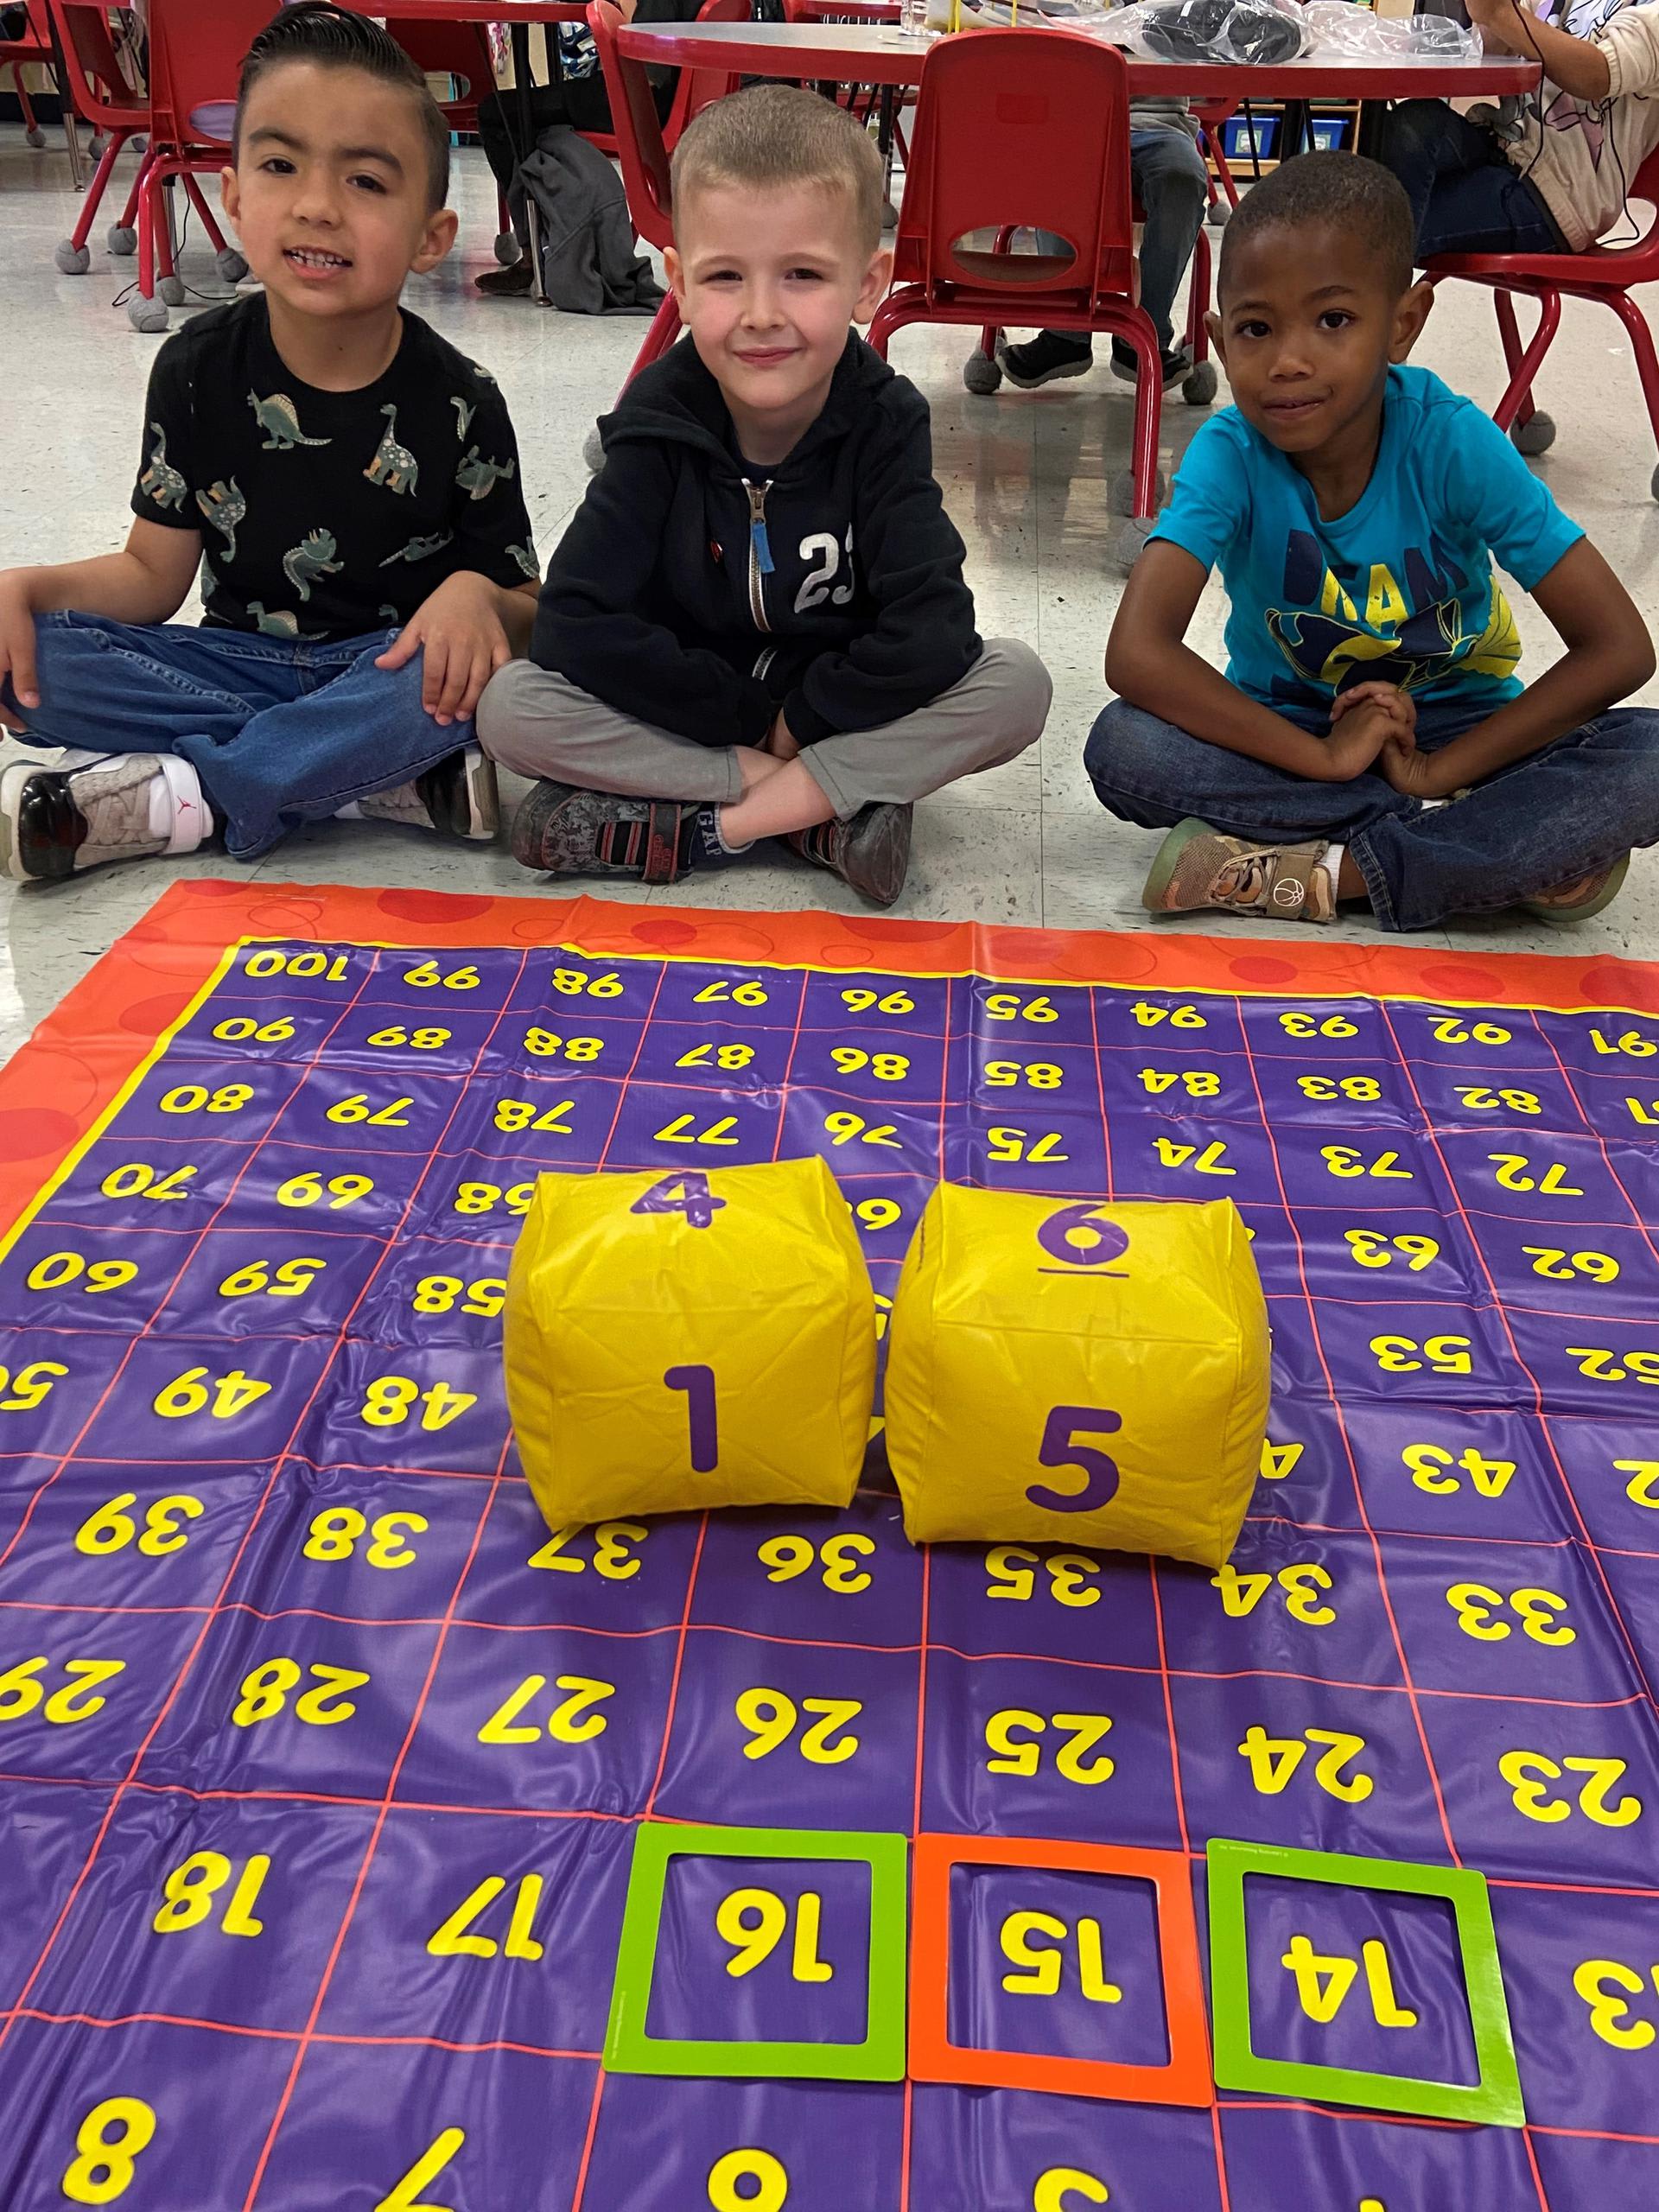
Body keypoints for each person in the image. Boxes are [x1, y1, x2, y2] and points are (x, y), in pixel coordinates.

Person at [0, 1, 540, 884]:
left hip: (390, 667)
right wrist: (28, 589)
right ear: (237, 198)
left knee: (487, 687)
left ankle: (192, 796)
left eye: (366, 181)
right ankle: (362, 781)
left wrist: (479, 597)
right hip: (232, 660)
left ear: (430, 238)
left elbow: (528, 608)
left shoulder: (462, 399)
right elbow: (150, 576)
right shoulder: (193, 368)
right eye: (282, 166)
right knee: (32, 662)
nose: (318, 207)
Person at [477, 85, 1052, 909]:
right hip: (698, 703)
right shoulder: (657, 422)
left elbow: (934, 629)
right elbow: (575, 623)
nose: (760, 314)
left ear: (867, 284)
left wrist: (805, 718)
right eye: (724, 277)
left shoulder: (885, 421)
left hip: (836, 703)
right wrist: (752, 724)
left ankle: (715, 825)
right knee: (511, 708)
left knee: (1017, 684)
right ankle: (822, 813)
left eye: (802, 275)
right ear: (679, 282)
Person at [1088, 152, 1659, 931]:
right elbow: (1137, 655)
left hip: (1464, 731)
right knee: (1124, 747)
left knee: (1649, 753)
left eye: (1333, 320)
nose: (1289, 361)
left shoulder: (1453, 442)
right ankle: (1492, 846)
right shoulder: (1229, 453)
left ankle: (1329, 872)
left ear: (1404, 324)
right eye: (1256, 329)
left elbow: (1619, 648)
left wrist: (1437, 769)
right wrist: (1326, 757)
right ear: (1219, 341)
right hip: (1291, 734)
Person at [1375, 0, 1659, 258]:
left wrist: (1500, 13)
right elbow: (1491, 47)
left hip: (1555, 199)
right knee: (1406, 126)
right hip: (1502, 146)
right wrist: (1487, 17)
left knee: (1375, 229)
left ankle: (1374, 276)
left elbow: (1597, 75)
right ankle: (1372, 271)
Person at [474, 0, 701, 299]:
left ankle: (533, 258)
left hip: (642, 99)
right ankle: (557, 247)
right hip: (681, 102)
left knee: (497, 113)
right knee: (533, 116)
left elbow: (646, 68)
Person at [999, 102, 1210, 391]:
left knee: (1183, 181)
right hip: (1076, 121)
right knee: (1055, 165)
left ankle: (1145, 334)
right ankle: (1065, 333)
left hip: (1160, 124)